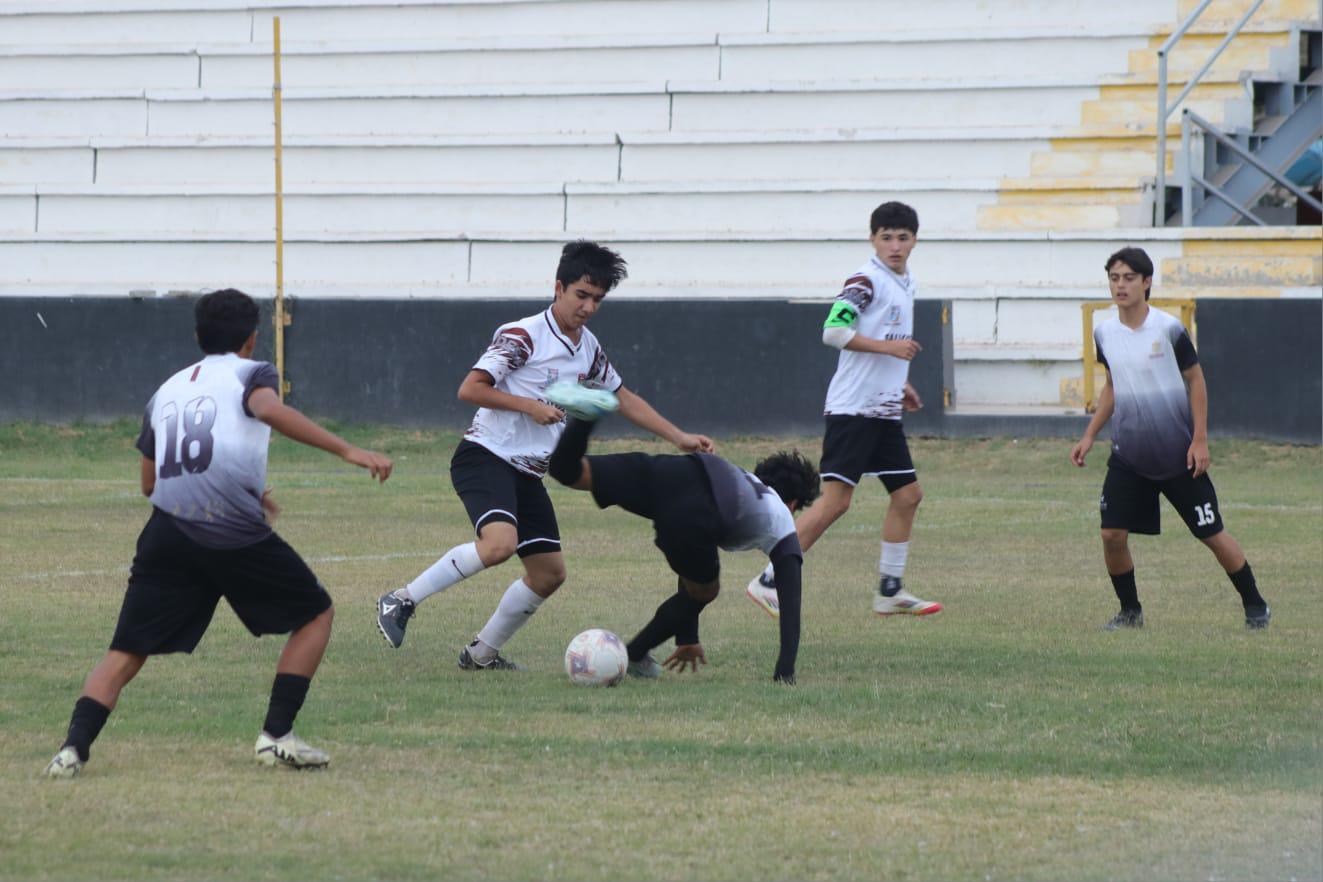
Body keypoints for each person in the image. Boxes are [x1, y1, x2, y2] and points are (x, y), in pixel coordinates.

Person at [43, 289, 393, 778]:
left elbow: (149, 482)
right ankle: (276, 736)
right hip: (229, 529)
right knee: (316, 614)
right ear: (252, 339)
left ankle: (71, 750)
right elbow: (268, 410)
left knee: (125, 651)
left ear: (197, 336)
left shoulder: (165, 390)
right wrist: (348, 450)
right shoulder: (252, 373)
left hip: (166, 531)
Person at [376, 240, 713, 669]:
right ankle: (401, 599)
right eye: (582, 295)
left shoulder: (587, 347)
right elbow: (471, 388)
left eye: (598, 299)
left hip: (527, 473)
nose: (589, 307)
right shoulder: (523, 336)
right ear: (559, 287)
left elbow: (622, 396)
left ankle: (481, 654)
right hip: (485, 455)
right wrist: (530, 406)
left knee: (549, 574)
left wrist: (678, 436)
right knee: (499, 545)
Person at [544, 383, 820, 683]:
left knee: (570, 472)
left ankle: (585, 418)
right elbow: (790, 605)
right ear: (793, 503)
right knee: (706, 589)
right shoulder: (781, 520)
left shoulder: (741, 477)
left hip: (673, 471)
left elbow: (691, 561)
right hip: (696, 513)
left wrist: (687, 634)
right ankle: (635, 653)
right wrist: (785, 672)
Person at [746, 201, 942, 619]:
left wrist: (897, 380)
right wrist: (890, 350)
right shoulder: (865, 280)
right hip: (854, 412)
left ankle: (890, 590)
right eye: (886, 237)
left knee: (908, 496)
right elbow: (834, 330)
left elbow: (880, 340)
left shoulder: (906, 283)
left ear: (915, 241)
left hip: (883, 412)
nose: (895, 245)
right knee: (835, 503)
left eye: (903, 238)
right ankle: (768, 579)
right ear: (872, 239)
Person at [1070, 247, 1270, 630]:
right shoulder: (1104, 332)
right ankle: (1131, 612)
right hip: (1128, 456)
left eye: (1129, 278)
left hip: (1179, 456)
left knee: (1211, 534)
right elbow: (1112, 385)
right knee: (1111, 534)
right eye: (1114, 278)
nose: (1120, 285)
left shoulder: (1169, 328)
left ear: (1147, 282)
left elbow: (1196, 381)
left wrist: (1199, 440)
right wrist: (1089, 435)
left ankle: (1255, 603)